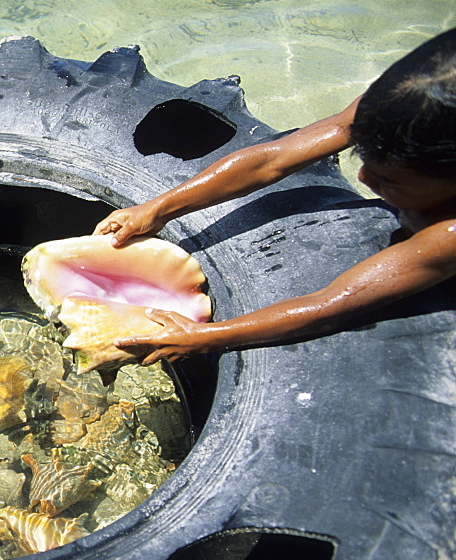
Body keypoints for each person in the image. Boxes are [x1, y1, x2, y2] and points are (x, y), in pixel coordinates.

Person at [93, 28, 456, 365]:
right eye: (362, 156)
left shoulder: (449, 235)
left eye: (389, 179)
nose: (361, 176)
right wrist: (158, 209)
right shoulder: (395, 109)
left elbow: (333, 304)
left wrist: (209, 336)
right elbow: (272, 159)